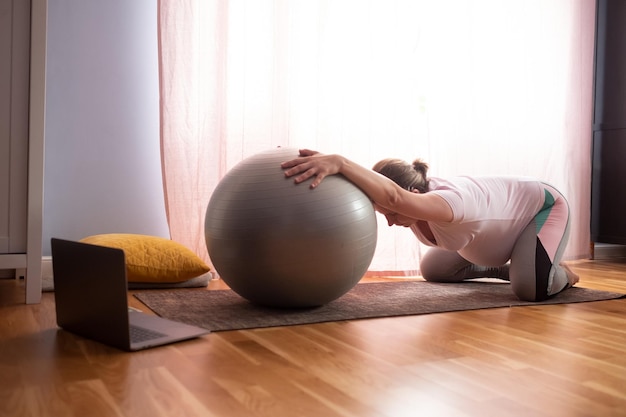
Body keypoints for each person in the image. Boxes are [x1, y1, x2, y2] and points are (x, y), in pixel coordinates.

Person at [281, 149, 579, 302]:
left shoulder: (450, 203)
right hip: (492, 235)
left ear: (414, 197)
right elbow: (385, 194)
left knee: (531, 290)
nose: (389, 221)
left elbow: (393, 197)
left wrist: (340, 162)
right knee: (434, 270)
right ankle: (513, 268)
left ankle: (559, 272)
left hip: (542, 209)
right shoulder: (415, 193)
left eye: (392, 213)